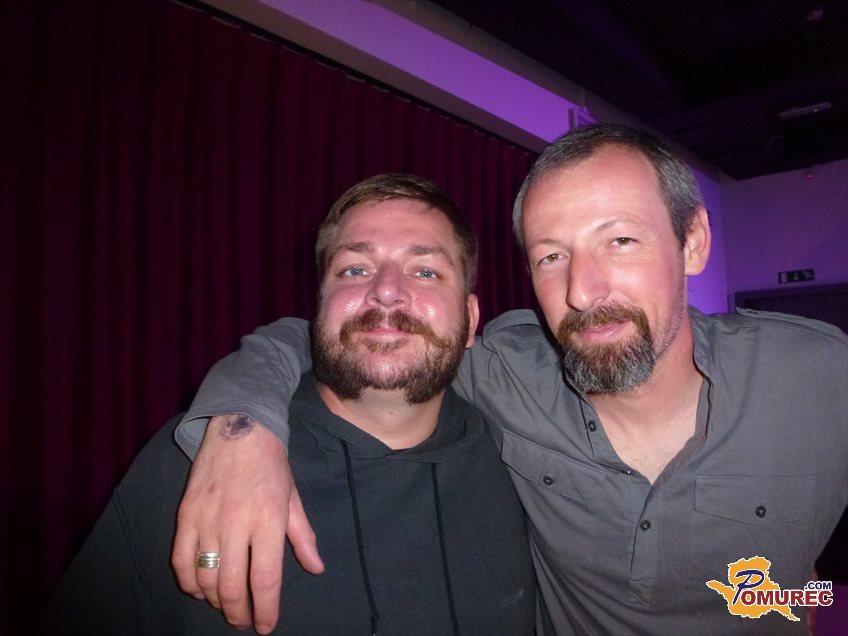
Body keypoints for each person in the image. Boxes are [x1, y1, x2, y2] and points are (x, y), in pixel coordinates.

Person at [172, 124, 848, 634]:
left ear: (692, 241)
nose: (582, 291)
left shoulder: (818, 379)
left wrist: (791, 598)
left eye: (620, 240)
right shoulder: (507, 373)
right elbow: (348, 336)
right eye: (551, 257)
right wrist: (241, 429)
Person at [42, 174, 537, 635]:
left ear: (470, 319)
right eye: (355, 269)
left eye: (425, 271)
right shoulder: (193, 461)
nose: (386, 291)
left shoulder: (520, 463)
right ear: (319, 306)